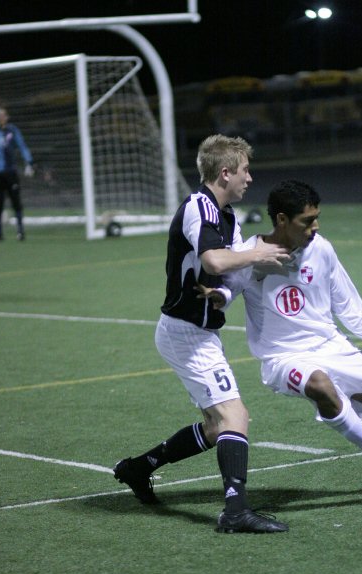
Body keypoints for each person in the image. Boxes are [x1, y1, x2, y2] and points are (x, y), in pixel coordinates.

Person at [113, 135, 291, 533]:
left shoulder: (226, 215)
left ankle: (139, 469)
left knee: (216, 426)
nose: (249, 176)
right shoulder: (200, 209)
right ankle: (235, 512)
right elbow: (213, 259)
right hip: (185, 334)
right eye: (244, 169)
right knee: (234, 417)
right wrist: (257, 253)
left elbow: (223, 271)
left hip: (197, 333)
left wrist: (249, 266)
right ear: (225, 172)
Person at [212, 179, 362, 489]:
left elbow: (349, 307)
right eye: (307, 221)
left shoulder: (322, 250)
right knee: (320, 384)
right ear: (281, 220)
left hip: (331, 345)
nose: (315, 226)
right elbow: (229, 288)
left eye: (317, 218)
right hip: (283, 358)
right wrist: (219, 296)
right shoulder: (250, 253)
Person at [0, 106, 34, 241]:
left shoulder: (13, 130)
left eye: (1, 115)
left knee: (16, 202)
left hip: (11, 172)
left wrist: (29, 162)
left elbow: (22, 146)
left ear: (6, 117)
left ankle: (20, 232)